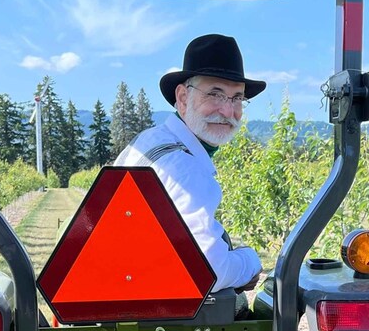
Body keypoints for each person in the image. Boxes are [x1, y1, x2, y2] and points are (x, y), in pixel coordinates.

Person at [113, 34, 264, 294]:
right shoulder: (184, 169)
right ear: (182, 98)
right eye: (215, 94)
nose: (229, 112)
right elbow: (208, 270)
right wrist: (249, 261)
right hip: (151, 316)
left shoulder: (150, 141)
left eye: (237, 98)